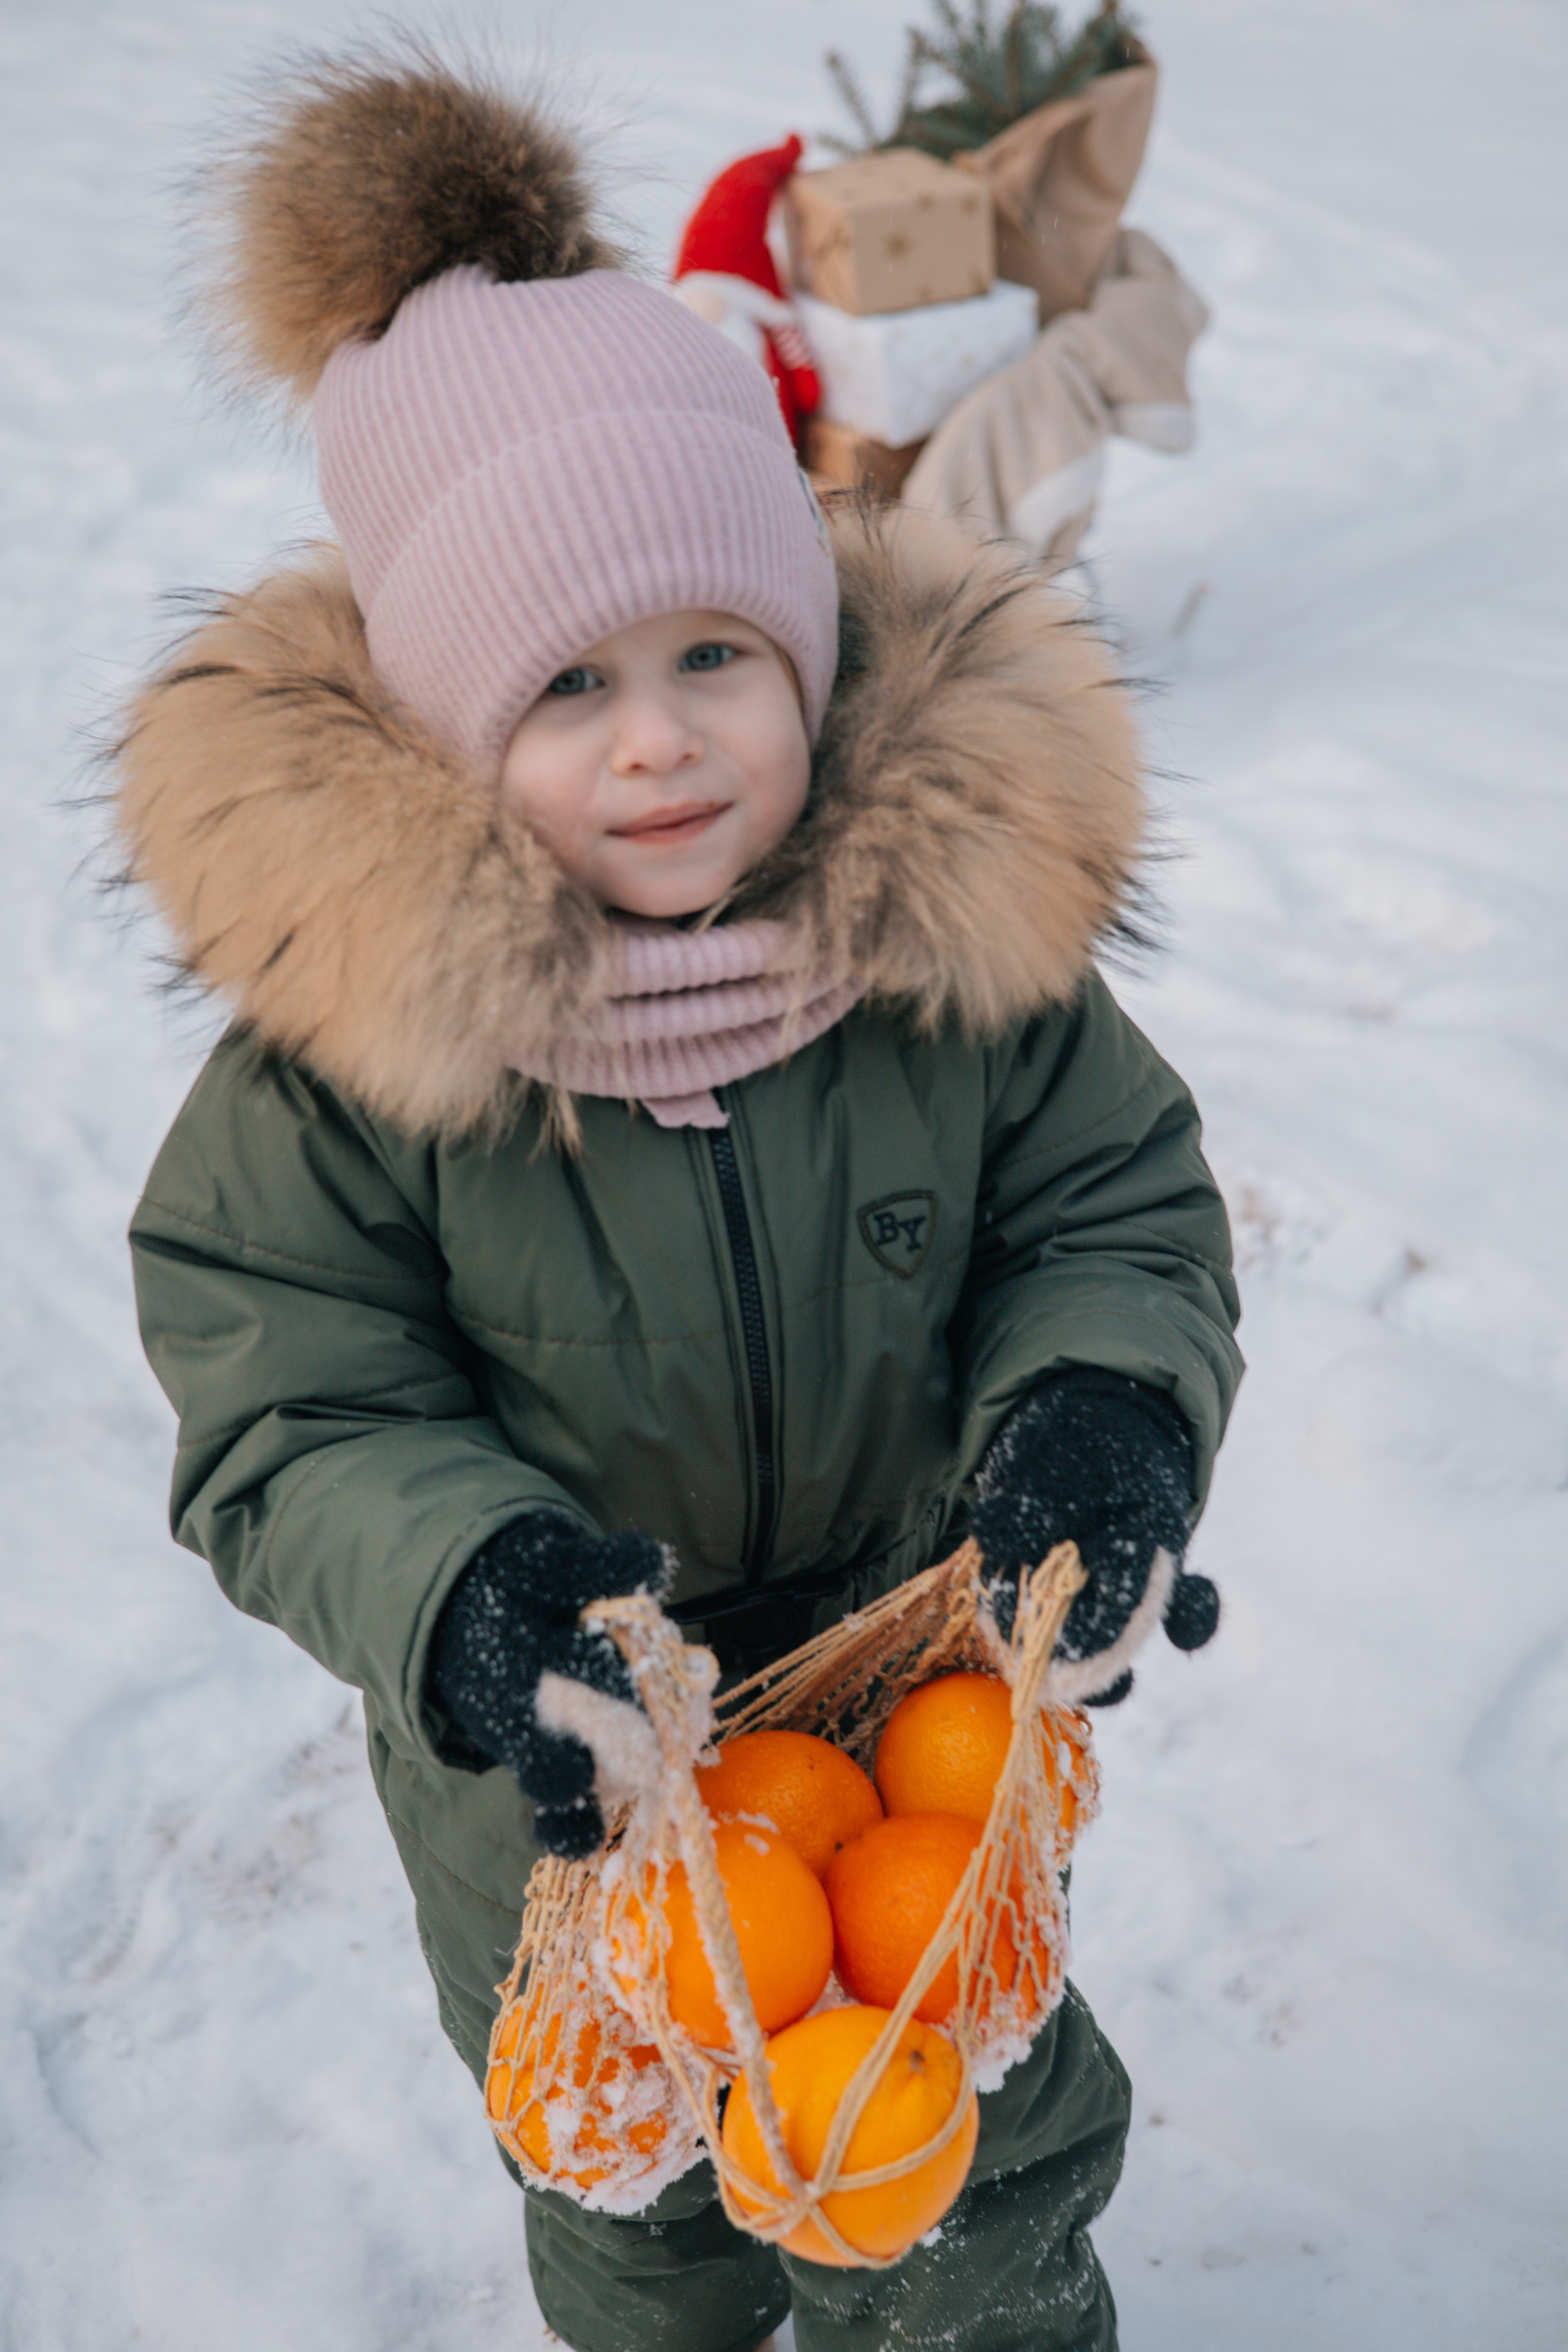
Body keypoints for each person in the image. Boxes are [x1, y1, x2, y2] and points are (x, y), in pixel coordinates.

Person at [118, 46, 1243, 2352]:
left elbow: (1113, 1208)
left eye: (716, 654)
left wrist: (1103, 1422)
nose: (659, 739)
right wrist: (464, 1590)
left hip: (915, 1730)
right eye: (568, 686)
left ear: (808, 654)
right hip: (571, 1773)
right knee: (644, 2208)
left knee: (983, 2165)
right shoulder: (355, 1071)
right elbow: (289, 1400)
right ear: (441, 725)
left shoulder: (945, 961)